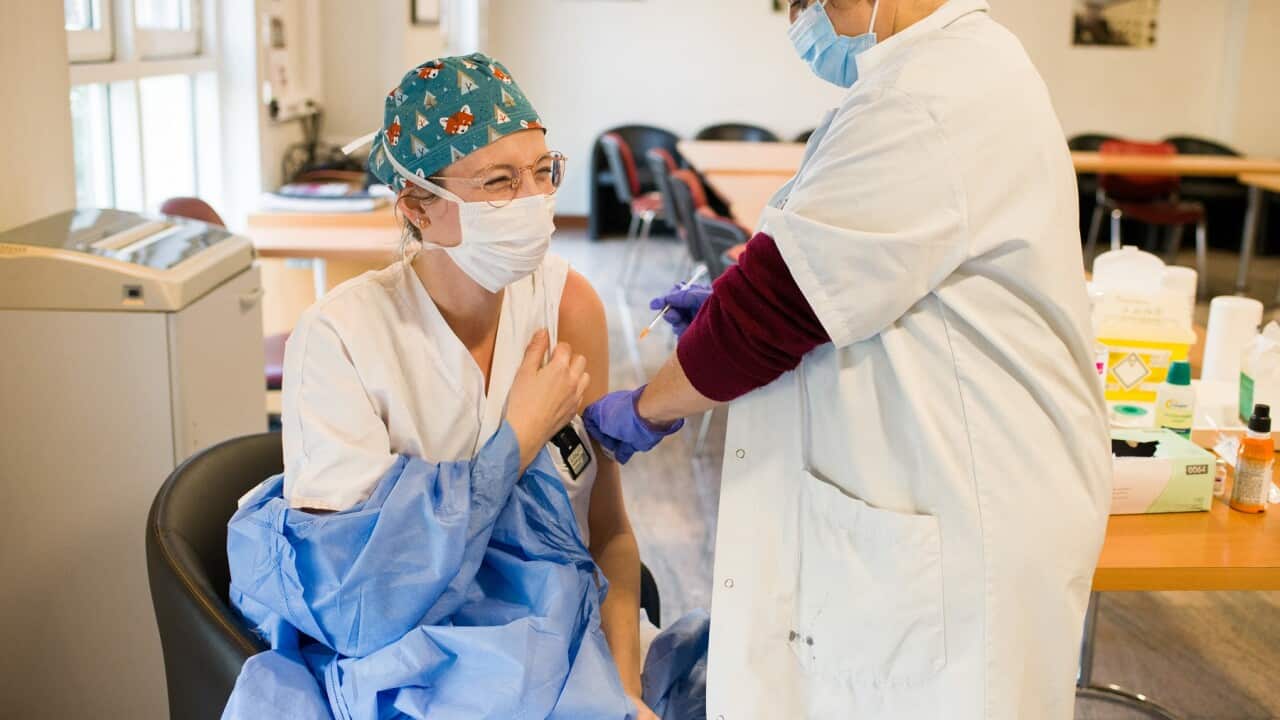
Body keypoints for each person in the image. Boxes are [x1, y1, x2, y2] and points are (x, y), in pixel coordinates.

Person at [584, 1, 1112, 718]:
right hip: (933, 483)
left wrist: (645, 409)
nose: (802, 17)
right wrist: (737, 293)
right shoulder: (937, 73)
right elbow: (837, 266)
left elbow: (770, 312)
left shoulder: (927, 96)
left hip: (958, 516)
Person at [228, 54, 671, 719]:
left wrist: (626, 696)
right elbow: (361, 602)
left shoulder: (567, 306)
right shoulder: (341, 337)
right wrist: (516, 441)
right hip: (407, 674)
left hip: (567, 652)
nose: (534, 201)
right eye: (498, 181)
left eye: (543, 172)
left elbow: (608, 534)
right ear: (417, 206)